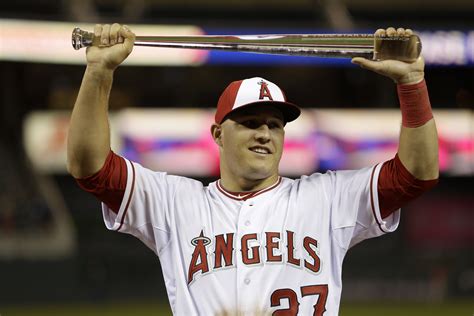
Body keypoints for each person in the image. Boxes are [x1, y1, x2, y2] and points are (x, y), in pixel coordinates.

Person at [67, 24, 439, 315]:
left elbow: (416, 174)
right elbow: (90, 167)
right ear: (218, 134)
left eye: (274, 125)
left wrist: (411, 84)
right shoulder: (174, 203)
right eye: (249, 122)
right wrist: (99, 72)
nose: (264, 133)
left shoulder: (327, 198)